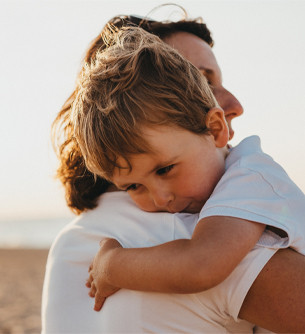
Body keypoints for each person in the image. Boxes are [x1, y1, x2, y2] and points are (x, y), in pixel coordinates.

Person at [42, 11, 305, 334]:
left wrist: (113, 265)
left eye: (165, 169)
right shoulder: (181, 230)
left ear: (214, 128)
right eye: (201, 80)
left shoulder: (73, 242)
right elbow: (201, 262)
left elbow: (201, 261)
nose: (235, 104)